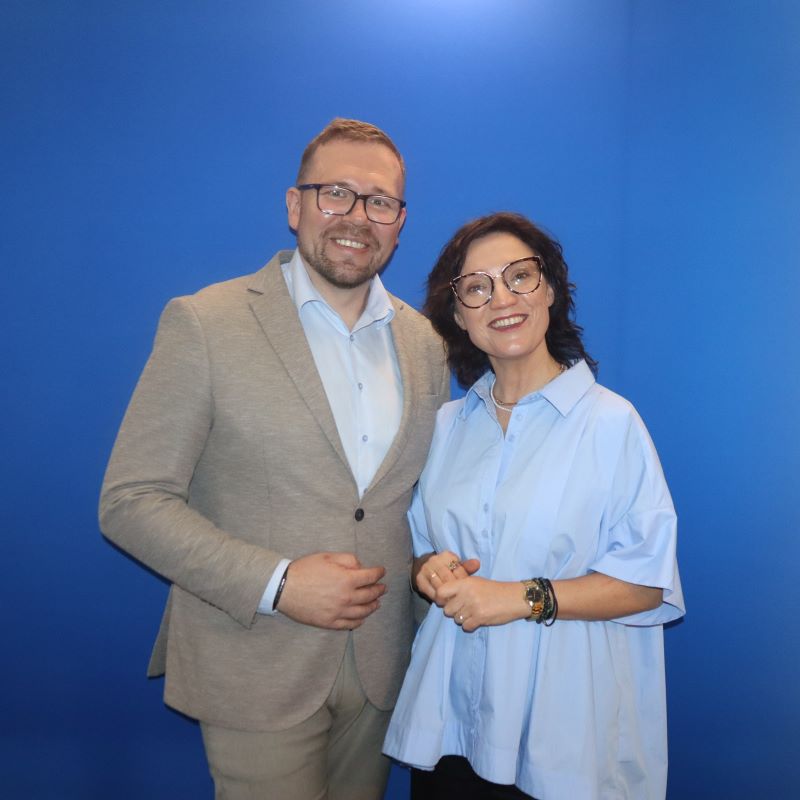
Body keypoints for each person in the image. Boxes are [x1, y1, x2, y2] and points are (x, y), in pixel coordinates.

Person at [99, 118, 450, 800]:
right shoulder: (205, 323)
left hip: (383, 670)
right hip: (254, 659)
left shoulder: (426, 344)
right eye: (336, 193)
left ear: (400, 222)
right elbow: (131, 501)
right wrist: (280, 582)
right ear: (295, 205)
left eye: (379, 201)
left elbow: (412, 502)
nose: (357, 216)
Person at [383, 212, 684, 800]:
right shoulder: (447, 426)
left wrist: (520, 597)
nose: (502, 299)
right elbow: (421, 546)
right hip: (451, 724)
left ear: (550, 290)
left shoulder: (611, 423)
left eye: (519, 276)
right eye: (477, 287)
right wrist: (430, 570)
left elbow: (647, 585)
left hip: (563, 735)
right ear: (459, 315)